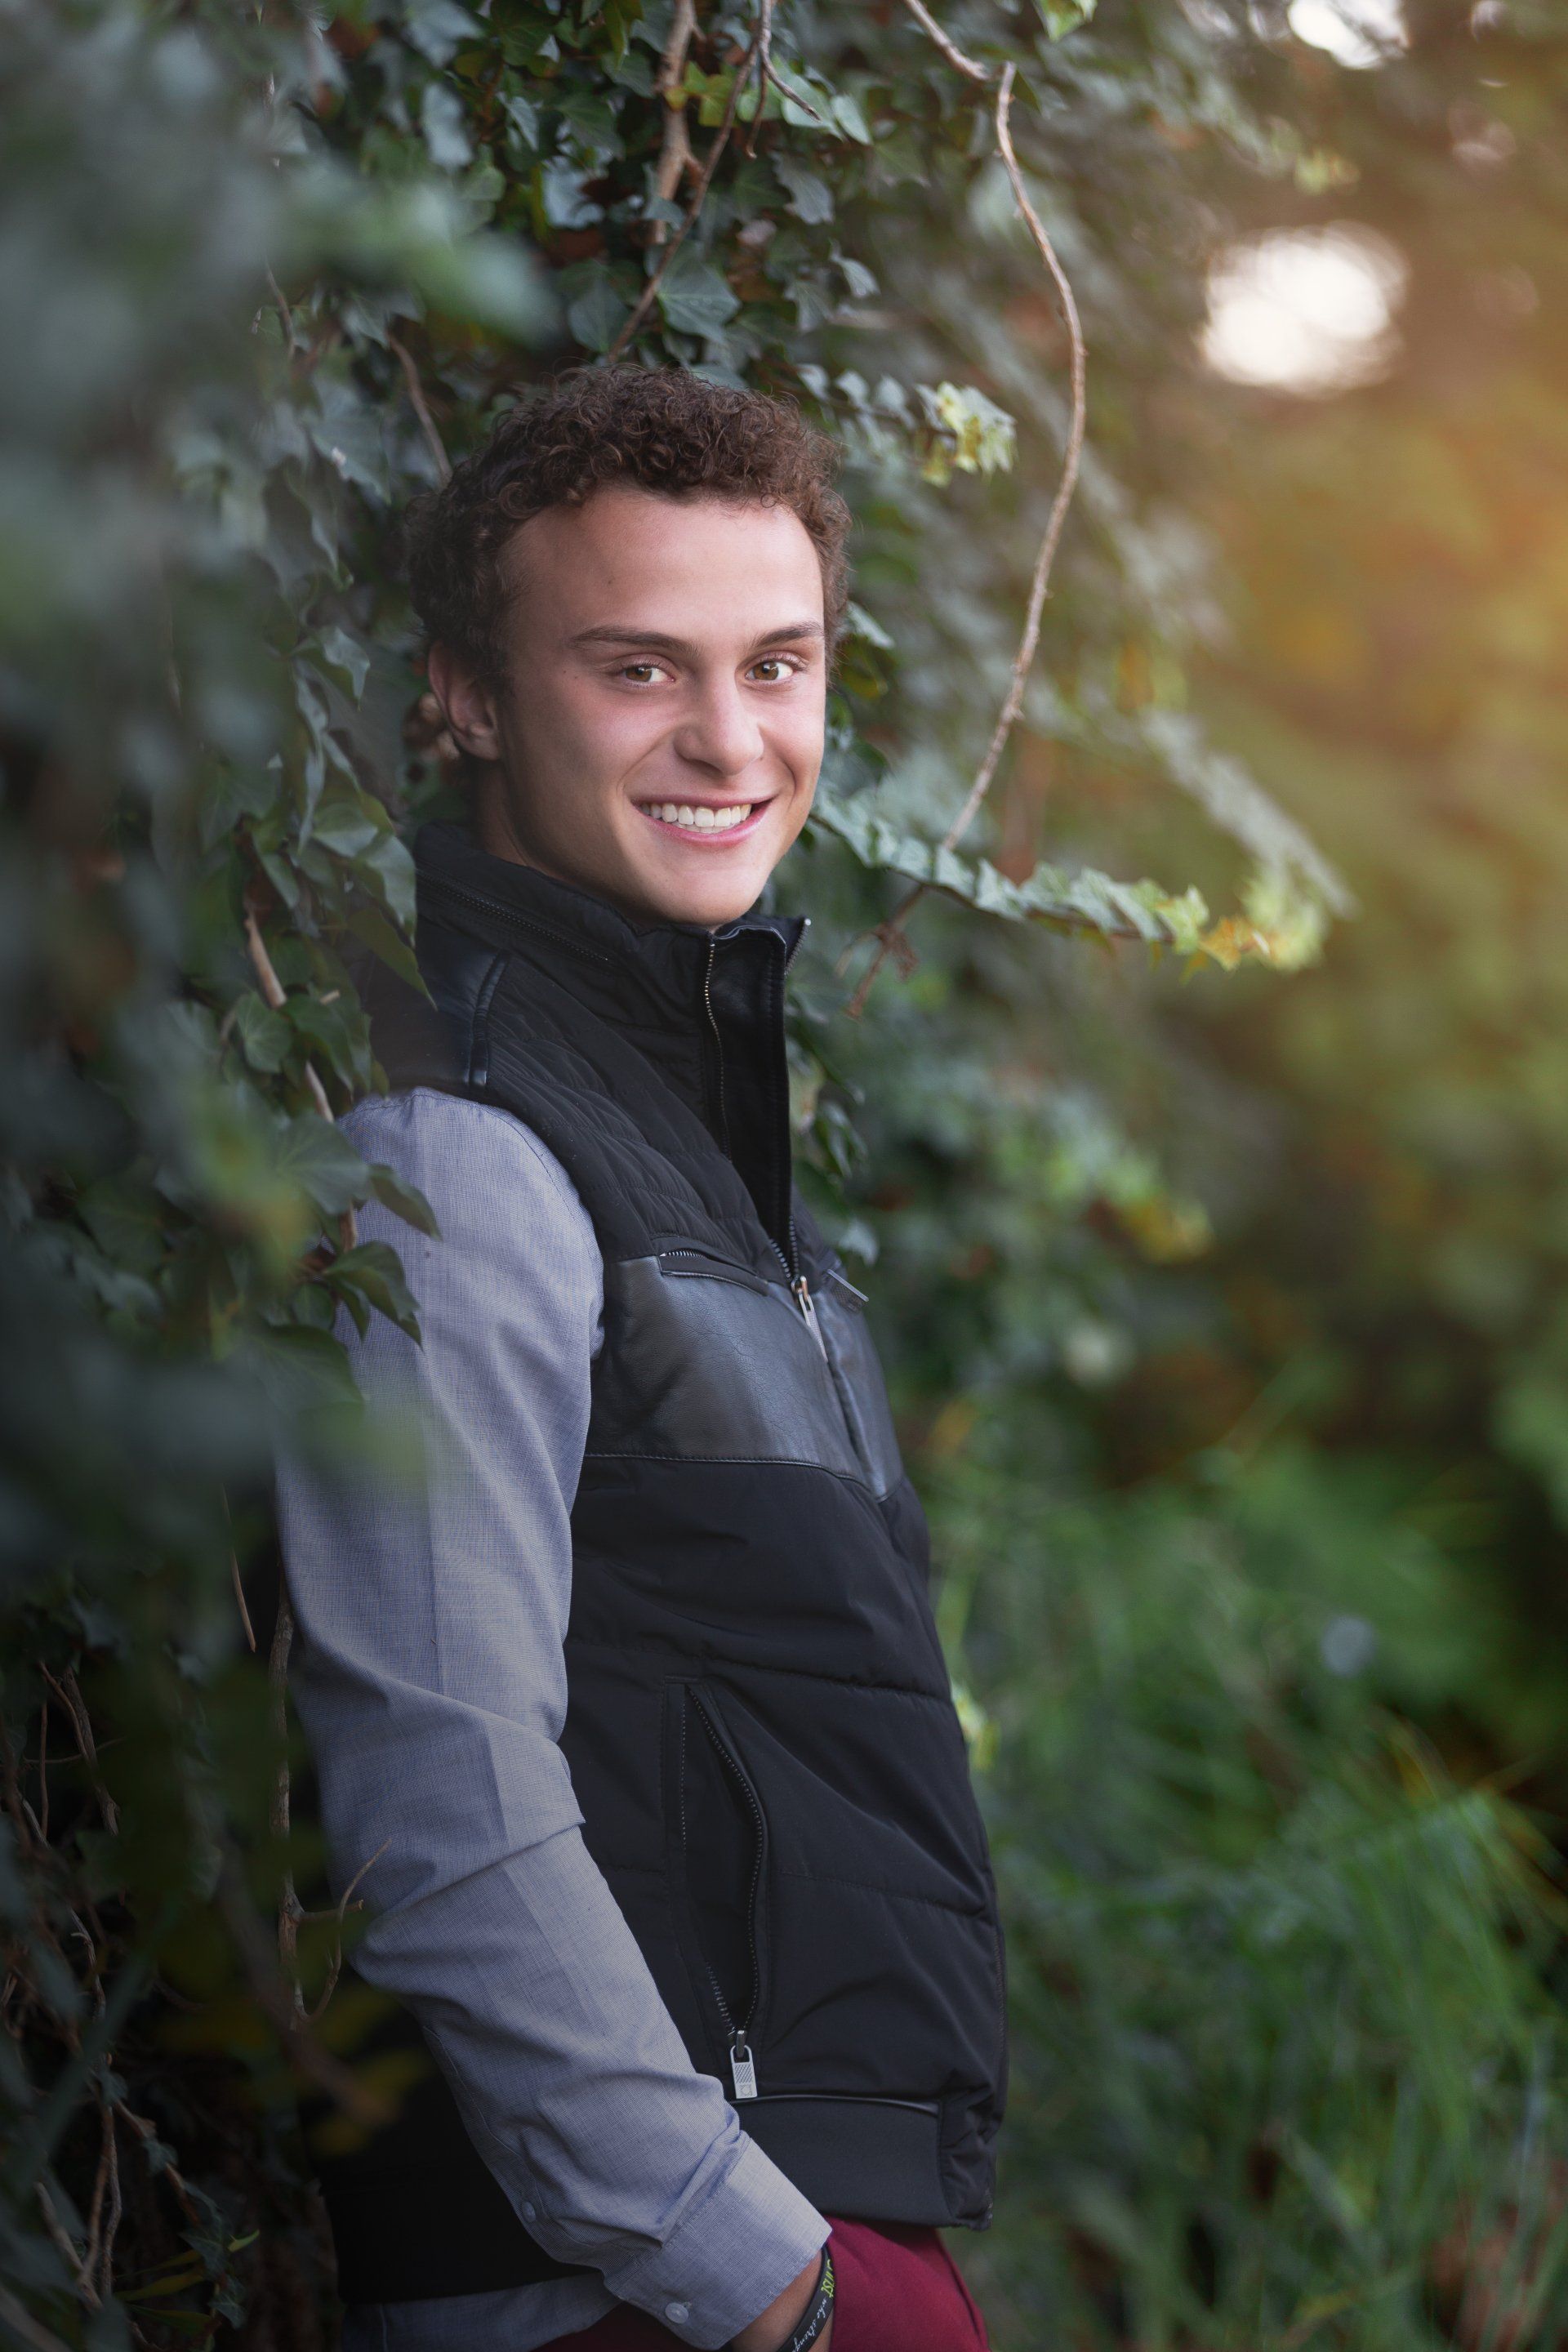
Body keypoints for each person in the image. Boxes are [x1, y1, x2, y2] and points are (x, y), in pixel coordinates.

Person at [274, 367, 1004, 2352]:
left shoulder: (706, 1157)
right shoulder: (461, 1161)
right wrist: (763, 2279)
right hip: (633, 2284)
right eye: (637, 668)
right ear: (466, 697)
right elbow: (438, 1791)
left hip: (803, 2235)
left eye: (779, 663)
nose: (730, 738)